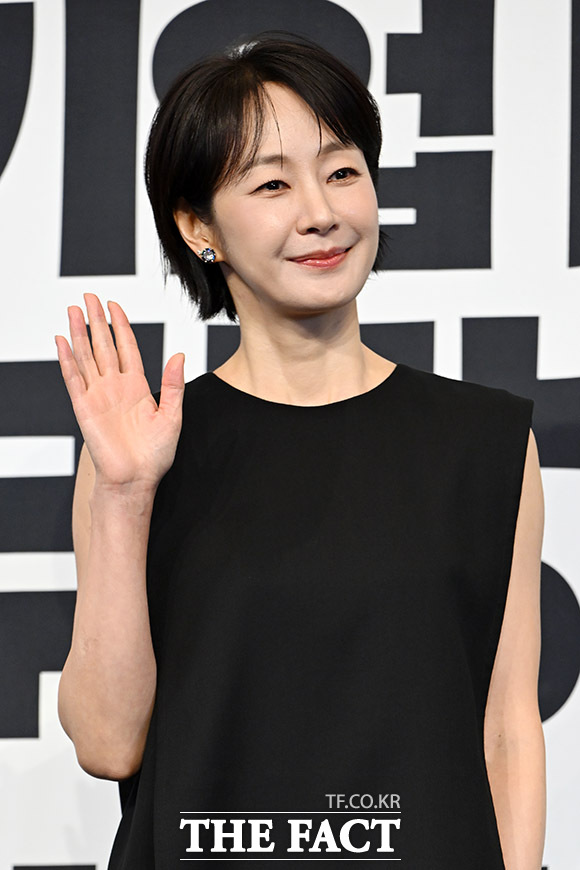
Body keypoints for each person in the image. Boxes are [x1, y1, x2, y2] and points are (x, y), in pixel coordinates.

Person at [55, 33, 546, 869]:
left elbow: (507, 732)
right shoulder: (142, 449)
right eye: (273, 184)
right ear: (198, 227)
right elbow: (107, 743)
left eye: (342, 171)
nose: (321, 212)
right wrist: (126, 493)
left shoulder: (485, 442)